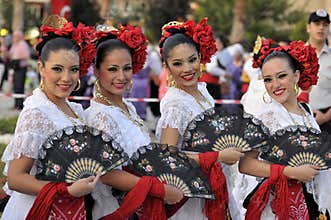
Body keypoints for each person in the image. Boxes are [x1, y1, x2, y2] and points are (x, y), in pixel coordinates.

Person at [1, 15, 99, 219]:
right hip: (39, 210)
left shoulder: (74, 109)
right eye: (57, 69)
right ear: (41, 68)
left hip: (71, 210)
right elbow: (16, 178)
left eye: (73, 70)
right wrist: (66, 190)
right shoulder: (36, 112)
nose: (67, 78)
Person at [85, 24, 183, 219]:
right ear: (96, 70)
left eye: (127, 68)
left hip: (142, 204)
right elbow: (106, 173)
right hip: (116, 210)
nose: (121, 76)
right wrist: (159, 189)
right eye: (112, 69)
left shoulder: (128, 107)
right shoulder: (99, 115)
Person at [156, 18, 243, 220]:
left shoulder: (203, 93)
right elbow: (167, 157)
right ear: (166, 67)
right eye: (178, 63)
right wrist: (217, 157)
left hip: (216, 185)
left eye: (192, 59)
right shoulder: (176, 104)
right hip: (191, 199)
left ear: (200, 57)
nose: (187, 68)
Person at [239, 38, 329, 220]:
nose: (275, 85)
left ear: (296, 76)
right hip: (281, 205)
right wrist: (291, 172)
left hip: (314, 198)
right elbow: (245, 164)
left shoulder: (306, 110)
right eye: (268, 80)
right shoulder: (265, 117)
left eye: (281, 76)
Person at [306, 9, 331, 133]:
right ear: (308, 28)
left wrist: (326, 117)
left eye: (325, 25)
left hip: (327, 120)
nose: (321, 28)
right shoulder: (296, 55)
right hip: (299, 118)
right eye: (317, 24)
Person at [8, 30, 30, 109]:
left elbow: (26, 56)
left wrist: (17, 58)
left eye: (16, 36)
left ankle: (20, 105)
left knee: (20, 86)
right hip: (15, 68)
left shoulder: (22, 44)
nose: (15, 38)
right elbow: (10, 54)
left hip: (21, 68)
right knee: (15, 87)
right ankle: (16, 104)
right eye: (14, 36)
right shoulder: (14, 45)